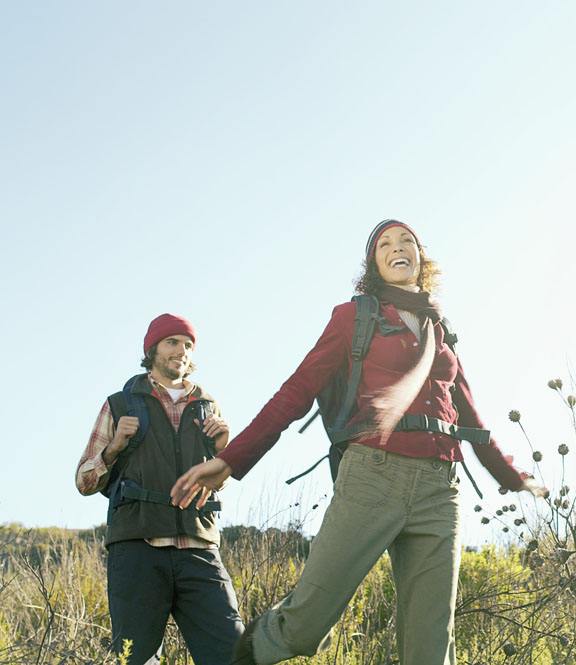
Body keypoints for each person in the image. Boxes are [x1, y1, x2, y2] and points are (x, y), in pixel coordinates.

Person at [172, 220, 545, 665]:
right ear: (374, 264)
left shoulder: (442, 334)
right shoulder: (356, 317)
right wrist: (232, 460)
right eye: (384, 244)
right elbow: (297, 390)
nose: (398, 247)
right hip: (373, 476)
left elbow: (472, 420)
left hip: (439, 491)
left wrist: (514, 477)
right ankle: (248, 654)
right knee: (308, 620)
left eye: (407, 240)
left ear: (421, 258)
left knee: (431, 644)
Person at [75, 313, 244, 664]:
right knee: (135, 658)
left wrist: (224, 451)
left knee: (233, 652)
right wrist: (116, 444)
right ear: (152, 349)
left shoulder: (208, 408)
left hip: (199, 549)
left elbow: (220, 482)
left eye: (188, 345)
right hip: (139, 550)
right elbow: (85, 481)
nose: (181, 350)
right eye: (172, 342)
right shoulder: (119, 404)